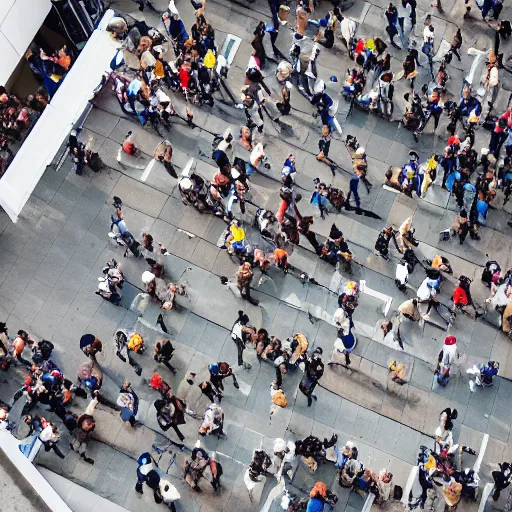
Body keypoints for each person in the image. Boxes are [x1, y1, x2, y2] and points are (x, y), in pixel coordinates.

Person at [69, 392, 98, 464]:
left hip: (79, 434)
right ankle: (81, 453)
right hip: (82, 436)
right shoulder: (87, 422)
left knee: (79, 443)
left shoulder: (83, 420)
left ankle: (76, 449)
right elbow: (88, 430)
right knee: (82, 445)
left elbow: (80, 421)